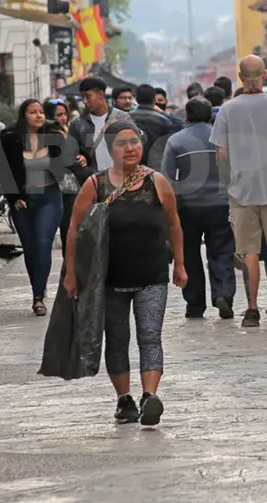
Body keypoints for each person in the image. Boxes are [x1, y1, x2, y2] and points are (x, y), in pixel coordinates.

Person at [64, 120, 188, 427]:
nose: (130, 148)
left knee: (150, 337)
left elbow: (173, 223)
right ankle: (124, 400)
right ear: (110, 149)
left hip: (152, 275)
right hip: (109, 279)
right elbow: (75, 229)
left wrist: (180, 264)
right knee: (117, 340)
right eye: (122, 143)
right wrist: (71, 273)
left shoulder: (157, 182)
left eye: (134, 141)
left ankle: (149, 396)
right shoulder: (95, 185)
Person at [211, 55, 267, 328]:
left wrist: (228, 183)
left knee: (248, 251)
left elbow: (221, 154)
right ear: (264, 75)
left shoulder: (228, 109)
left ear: (240, 77)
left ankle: (252, 309)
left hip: (242, 190)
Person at [161, 97, 236, 319]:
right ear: (210, 115)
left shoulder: (175, 141)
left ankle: (195, 303)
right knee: (222, 251)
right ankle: (223, 294)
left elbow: (167, 179)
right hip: (221, 205)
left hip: (188, 208)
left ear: (187, 115)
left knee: (189, 254)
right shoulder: (223, 140)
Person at [0, 100, 67, 316]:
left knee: (43, 242)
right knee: (29, 248)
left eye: (41, 112)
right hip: (23, 200)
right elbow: (3, 171)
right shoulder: (10, 138)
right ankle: (37, 288)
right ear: (23, 115)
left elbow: (68, 162)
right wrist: (14, 198)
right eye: (33, 112)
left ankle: (38, 298)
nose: (38, 116)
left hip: (49, 196)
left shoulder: (53, 135)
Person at [68, 77, 132, 179]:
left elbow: (135, 146)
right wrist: (79, 158)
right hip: (93, 180)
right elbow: (70, 154)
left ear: (101, 94)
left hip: (122, 178)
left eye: (88, 96)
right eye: (82, 97)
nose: (84, 101)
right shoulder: (77, 123)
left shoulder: (122, 118)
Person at [45, 98, 87, 248]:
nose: (63, 118)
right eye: (58, 115)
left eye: (64, 114)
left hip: (69, 184)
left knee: (69, 225)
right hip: (54, 183)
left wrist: (81, 157)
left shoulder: (68, 130)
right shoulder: (50, 134)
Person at [131, 84, 180, 168]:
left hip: (134, 165)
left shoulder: (127, 118)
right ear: (154, 100)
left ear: (136, 99)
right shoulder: (164, 121)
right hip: (156, 166)